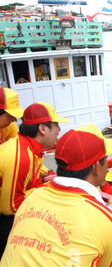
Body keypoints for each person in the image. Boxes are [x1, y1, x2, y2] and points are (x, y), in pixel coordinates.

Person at [0, 124, 112, 267]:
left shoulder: (33, 196)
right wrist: (108, 214)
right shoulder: (107, 220)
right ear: (95, 167)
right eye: (106, 159)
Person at [0, 102, 69, 258]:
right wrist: (47, 188)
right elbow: (10, 207)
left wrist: (44, 175)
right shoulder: (21, 157)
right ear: (43, 129)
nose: (59, 129)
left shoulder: (26, 147)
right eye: (56, 125)